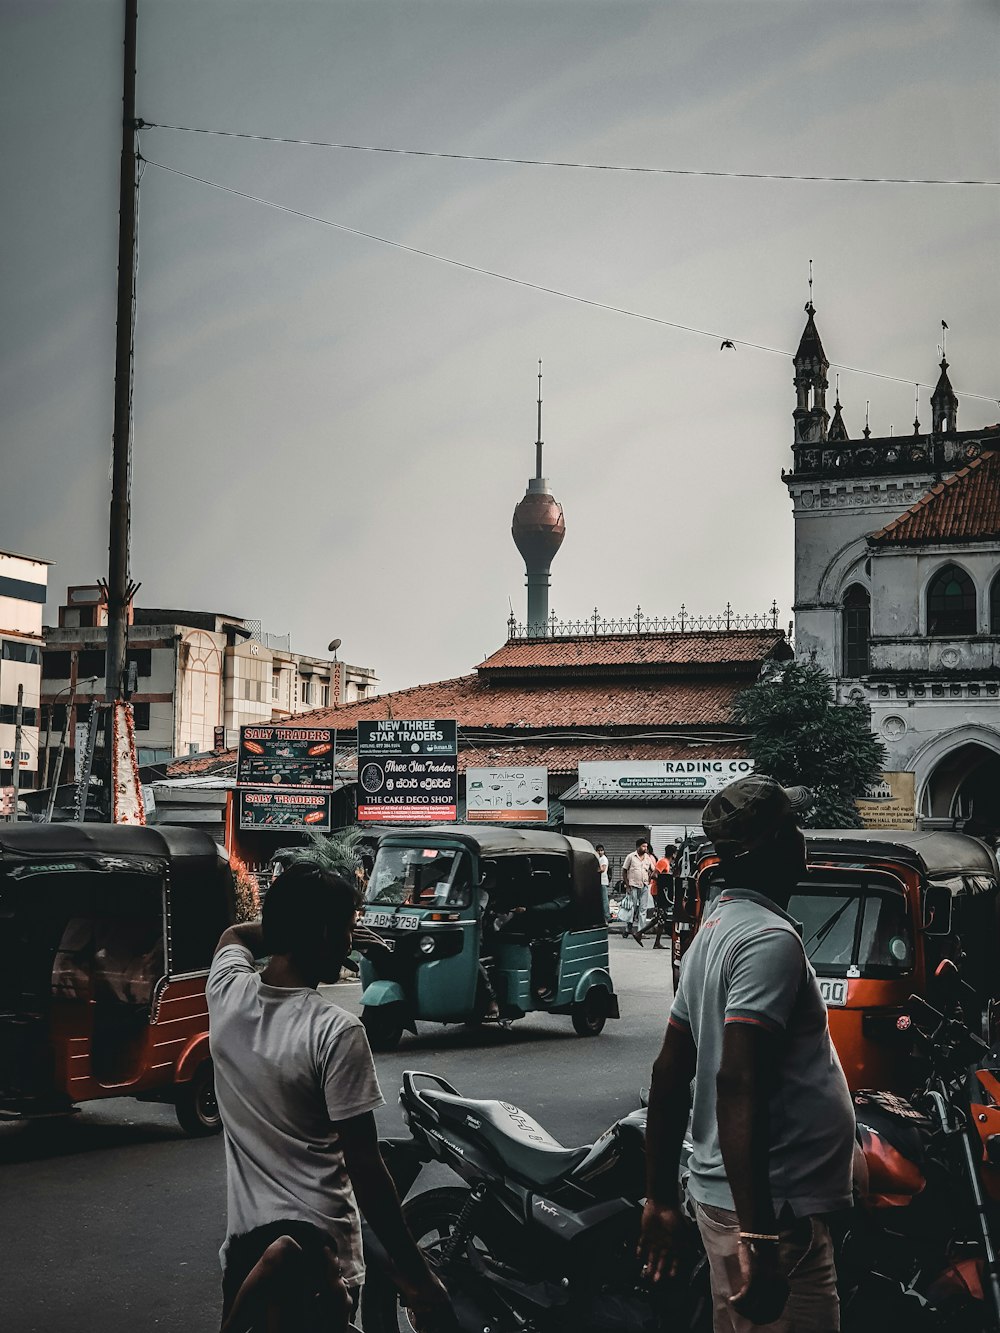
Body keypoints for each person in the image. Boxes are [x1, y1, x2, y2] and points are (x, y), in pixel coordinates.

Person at [638, 776, 855, 1333]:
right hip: (770, 1213)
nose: (804, 839)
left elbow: (668, 1075)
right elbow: (736, 1083)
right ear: (779, 846)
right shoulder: (766, 940)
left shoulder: (716, 930)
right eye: (795, 828)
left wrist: (661, 1197)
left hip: (731, 1201)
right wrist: (758, 1237)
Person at [207, 861, 453, 1332]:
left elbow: (235, 935)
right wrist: (418, 1280)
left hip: (245, 1255)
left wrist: (285, 930)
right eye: (346, 928)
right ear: (322, 933)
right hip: (322, 1265)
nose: (349, 942)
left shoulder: (226, 994)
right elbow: (365, 1170)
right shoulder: (335, 1031)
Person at [637, 843, 677, 948]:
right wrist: (664, 882)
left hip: (663, 893)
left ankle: (641, 934)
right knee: (661, 917)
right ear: (673, 854)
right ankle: (652, 940)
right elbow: (654, 875)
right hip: (658, 892)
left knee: (659, 917)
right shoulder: (663, 862)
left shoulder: (667, 863)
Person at [621, 837, 657, 945]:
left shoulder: (648, 858)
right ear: (638, 847)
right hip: (633, 886)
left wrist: (650, 878)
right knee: (632, 908)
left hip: (644, 886)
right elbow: (624, 870)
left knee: (643, 909)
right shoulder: (631, 857)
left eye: (646, 846)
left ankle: (641, 931)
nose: (645, 848)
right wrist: (627, 885)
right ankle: (628, 928)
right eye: (643, 846)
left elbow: (653, 869)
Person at [596, 844, 611, 923]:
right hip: (601, 881)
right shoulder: (600, 858)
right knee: (602, 899)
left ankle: (607, 916)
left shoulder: (603, 859)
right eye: (599, 850)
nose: (600, 852)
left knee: (604, 899)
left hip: (603, 881)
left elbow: (603, 869)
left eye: (602, 850)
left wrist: (594, 870)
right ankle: (604, 916)